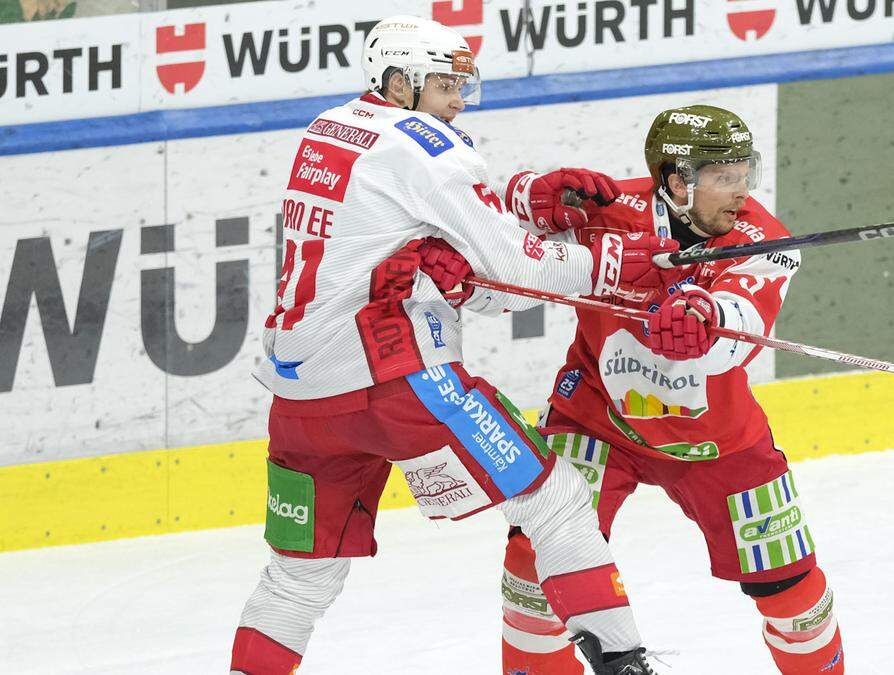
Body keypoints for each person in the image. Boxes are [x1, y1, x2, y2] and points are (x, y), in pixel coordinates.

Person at [229, 15, 682, 675]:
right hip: (392, 379)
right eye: (444, 83)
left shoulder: (327, 129)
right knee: (554, 497)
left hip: (301, 401)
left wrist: (513, 214)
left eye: (462, 83)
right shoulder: (425, 143)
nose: (458, 100)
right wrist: (622, 261)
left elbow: (415, 232)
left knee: (300, 578)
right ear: (396, 82)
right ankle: (624, 663)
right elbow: (513, 269)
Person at [495, 105, 846, 674]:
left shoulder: (766, 240)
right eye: (723, 178)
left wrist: (706, 322)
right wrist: (524, 195)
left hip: (716, 442)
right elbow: (487, 234)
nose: (741, 193)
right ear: (678, 180)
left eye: (744, 174)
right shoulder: (604, 210)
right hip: (595, 420)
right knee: (533, 572)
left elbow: (745, 325)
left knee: (791, 593)